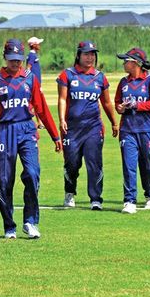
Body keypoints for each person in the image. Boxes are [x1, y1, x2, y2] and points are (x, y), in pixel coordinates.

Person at [0, 38, 62, 240]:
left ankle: (31, 221)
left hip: (27, 129)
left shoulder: (29, 78)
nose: (15, 63)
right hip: (4, 132)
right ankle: (9, 226)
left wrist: (55, 135)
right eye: (12, 59)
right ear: (5, 58)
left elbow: (41, 108)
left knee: (32, 172)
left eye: (19, 59)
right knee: (4, 180)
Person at [56, 41, 118, 210]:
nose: (90, 57)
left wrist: (114, 122)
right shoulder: (67, 75)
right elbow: (62, 99)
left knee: (94, 162)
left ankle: (96, 198)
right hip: (72, 129)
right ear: (79, 55)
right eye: (86, 54)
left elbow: (106, 102)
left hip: (93, 127)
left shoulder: (99, 77)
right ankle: (70, 193)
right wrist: (62, 120)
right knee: (72, 163)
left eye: (92, 54)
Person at [115, 48, 150, 213]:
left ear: (135, 62)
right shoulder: (123, 82)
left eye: (126, 61)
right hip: (127, 130)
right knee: (129, 166)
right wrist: (120, 108)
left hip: (147, 129)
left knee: (148, 165)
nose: (123, 63)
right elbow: (117, 103)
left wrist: (138, 105)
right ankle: (129, 201)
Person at [26, 36, 45, 130]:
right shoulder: (32, 55)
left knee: (35, 103)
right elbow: (28, 68)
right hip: (34, 84)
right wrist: (30, 82)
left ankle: (40, 122)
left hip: (36, 84)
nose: (39, 45)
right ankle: (32, 120)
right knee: (36, 102)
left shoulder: (33, 55)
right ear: (33, 45)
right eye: (38, 43)